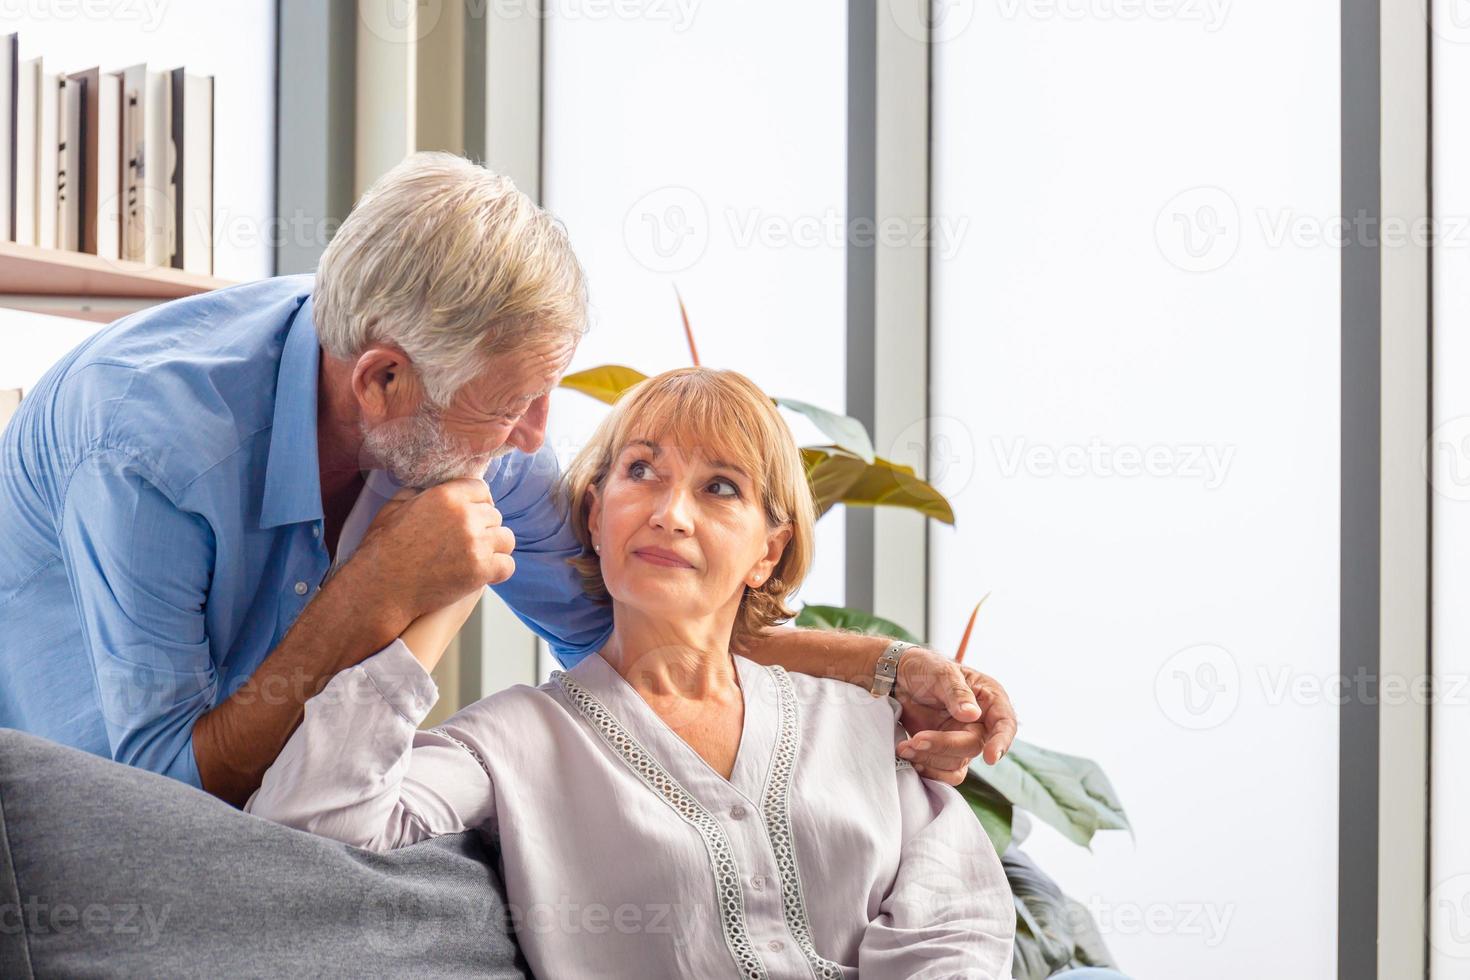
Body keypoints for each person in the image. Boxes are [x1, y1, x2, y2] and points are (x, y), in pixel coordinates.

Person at [0, 153, 1018, 806]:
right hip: (66, 814)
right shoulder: (145, 446)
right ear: (383, 378)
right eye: (511, 405)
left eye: (545, 396)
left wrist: (893, 670)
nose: (537, 439)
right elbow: (161, 797)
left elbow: (626, 626)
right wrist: (376, 594)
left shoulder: (466, 413)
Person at [246, 367, 1017, 978]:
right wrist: (446, 590)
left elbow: (957, 924)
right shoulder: (515, 741)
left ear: (768, 553)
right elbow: (311, 832)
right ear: (594, 515)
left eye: (721, 487)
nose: (670, 513)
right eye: (641, 471)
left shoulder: (862, 723)